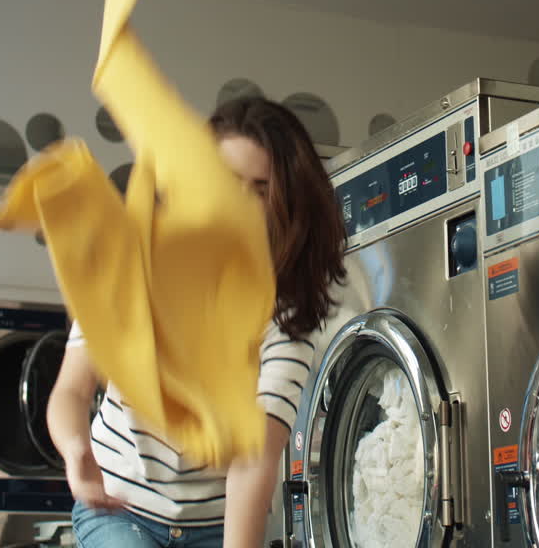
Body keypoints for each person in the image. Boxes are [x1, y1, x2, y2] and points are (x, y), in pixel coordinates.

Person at [47, 96, 348, 548]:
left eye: (261, 189)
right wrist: (76, 451)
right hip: (118, 509)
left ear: (287, 206)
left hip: (216, 524)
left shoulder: (287, 317)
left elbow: (255, 458)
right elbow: (71, 388)